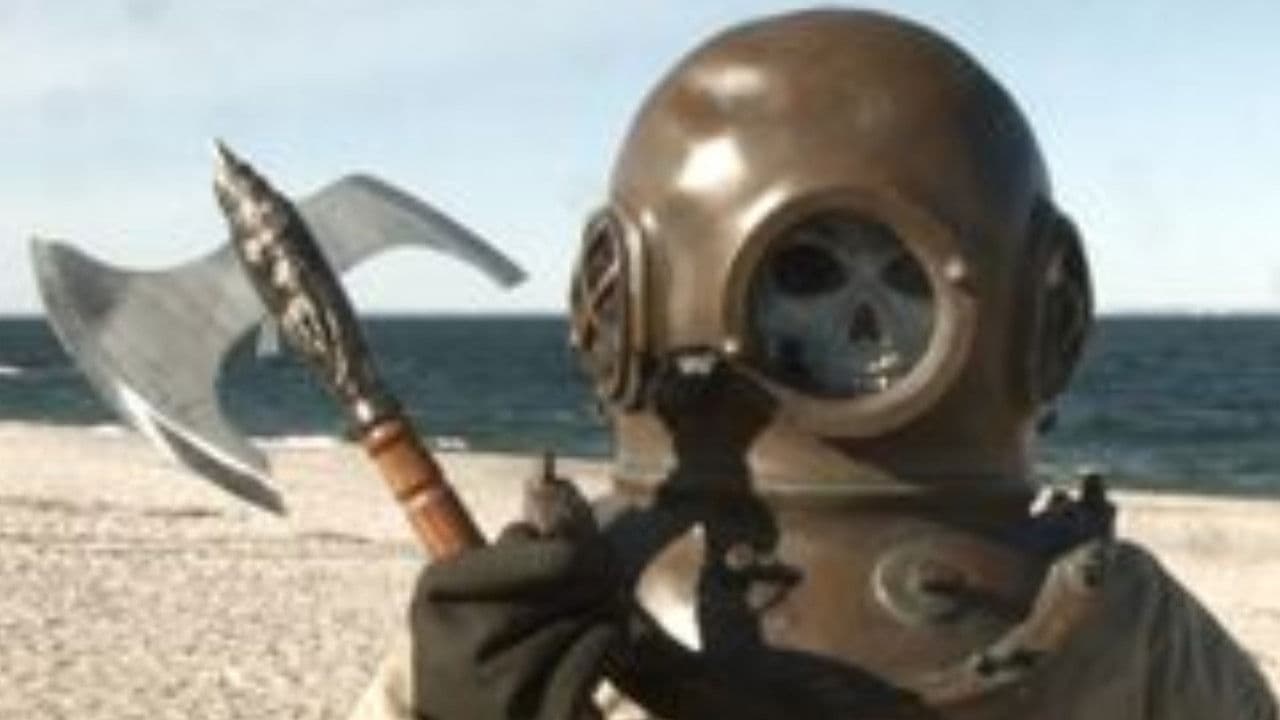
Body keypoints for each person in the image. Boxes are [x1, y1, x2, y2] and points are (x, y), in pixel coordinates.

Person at [350, 9, 1277, 719]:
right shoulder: (542, 631)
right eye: (809, 277)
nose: (863, 326)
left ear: (617, 304)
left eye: (898, 287)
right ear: (1046, 315)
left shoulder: (1117, 624)